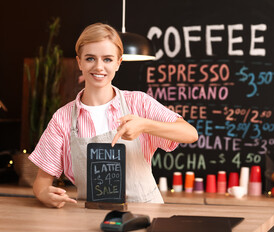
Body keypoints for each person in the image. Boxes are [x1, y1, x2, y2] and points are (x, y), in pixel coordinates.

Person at [29, 23, 198, 208]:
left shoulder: (139, 103)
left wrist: (145, 125)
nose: (99, 67)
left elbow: (190, 133)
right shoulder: (62, 118)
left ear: (118, 63)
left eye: (108, 59)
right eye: (90, 58)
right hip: (89, 218)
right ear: (79, 62)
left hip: (145, 213)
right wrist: (44, 193)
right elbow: (41, 181)